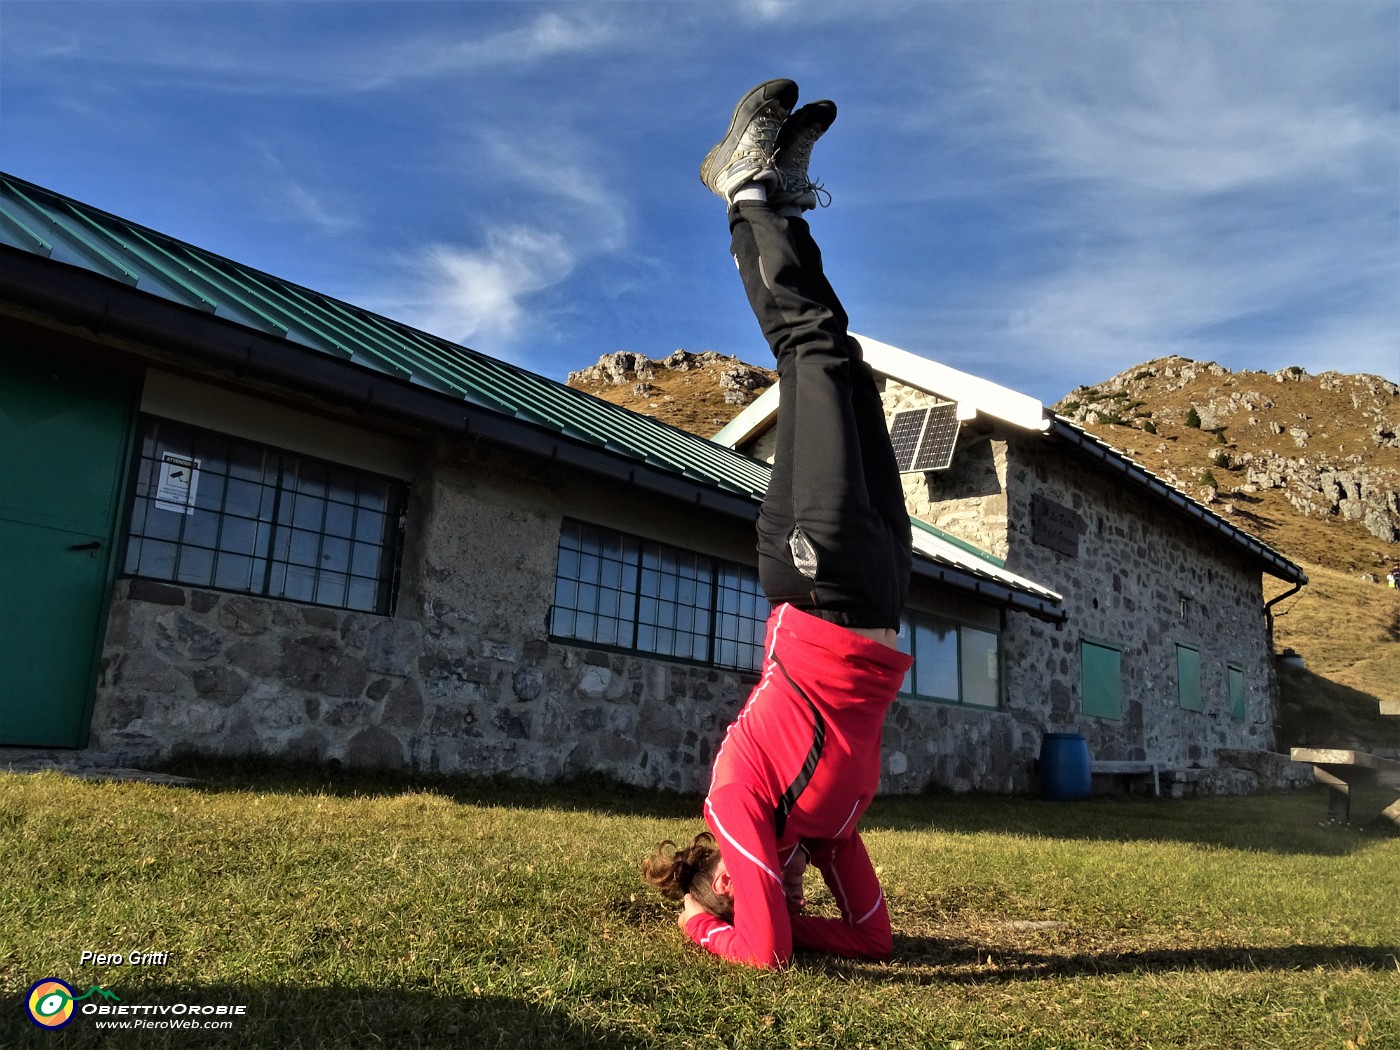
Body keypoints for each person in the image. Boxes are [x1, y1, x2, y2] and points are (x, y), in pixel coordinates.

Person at [641, 79, 915, 970]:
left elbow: (762, 957)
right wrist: (798, 913)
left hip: (816, 581)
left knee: (813, 351)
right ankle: (780, 204)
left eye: (716, 884)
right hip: (876, 597)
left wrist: (700, 924)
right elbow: (871, 939)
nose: (742, 886)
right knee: (847, 363)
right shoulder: (824, 835)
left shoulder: (733, 805)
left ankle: (745, 191)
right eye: (727, 896)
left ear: (711, 858)